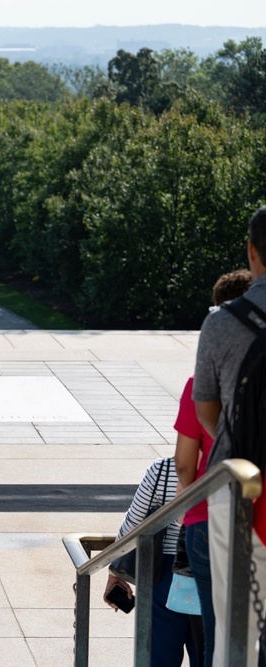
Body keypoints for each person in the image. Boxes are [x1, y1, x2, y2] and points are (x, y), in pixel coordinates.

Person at [193, 205, 266, 667]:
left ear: (251, 252)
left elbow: (207, 410)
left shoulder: (221, 322)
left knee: (233, 631)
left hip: (240, 488)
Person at [175, 269, 252, 666]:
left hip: (209, 517)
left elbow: (185, 465)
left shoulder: (198, 384)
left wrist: (184, 514)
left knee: (217, 635)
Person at [104, 457, 201, 667]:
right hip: (215, 568)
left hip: (163, 573)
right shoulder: (240, 467)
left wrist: (116, 571)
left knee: (159, 656)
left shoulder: (163, 470)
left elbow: (134, 524)